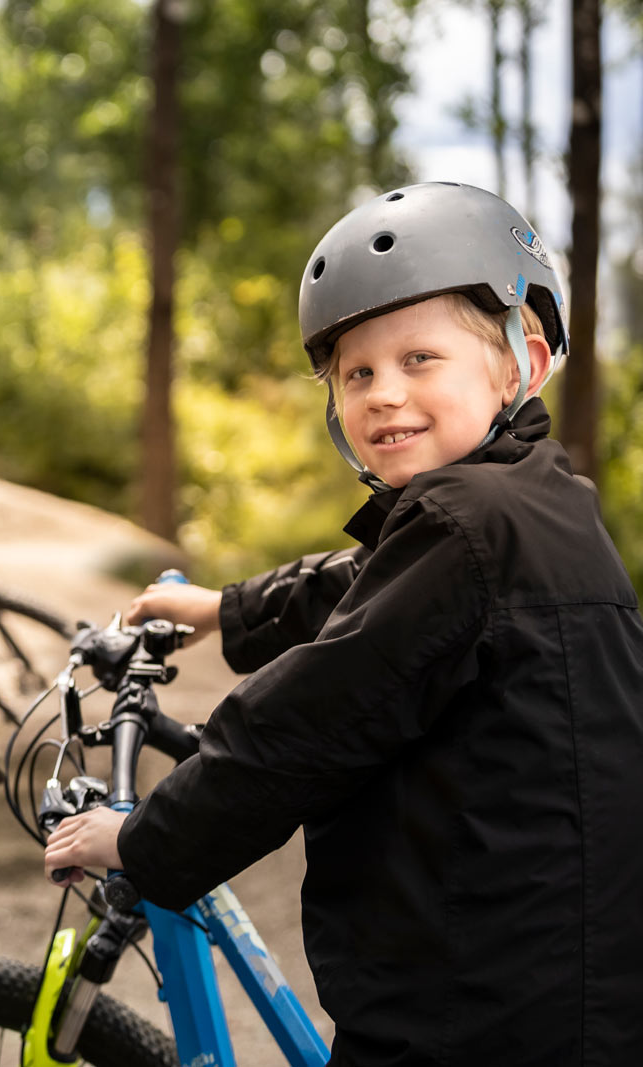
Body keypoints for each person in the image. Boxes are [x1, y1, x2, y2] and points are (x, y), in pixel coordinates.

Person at [43, 183, 643, 1063]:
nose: (383, 394)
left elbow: (306, 721)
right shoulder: (533, 500)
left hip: (480, 1005)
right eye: (357, 372)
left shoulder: (461, 521)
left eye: (420, 359)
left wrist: (146, 838)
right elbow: (375, 592)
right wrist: (225, 610)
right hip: (568, 968)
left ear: (521, 362)